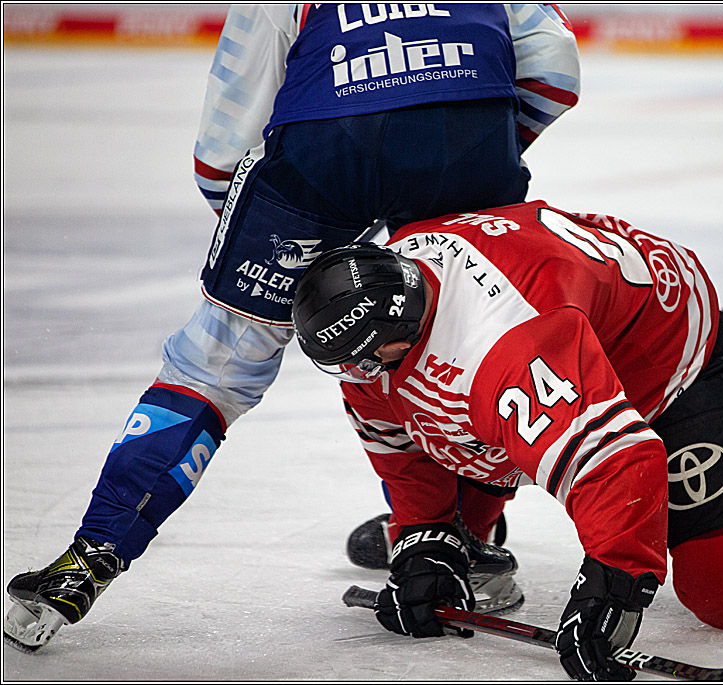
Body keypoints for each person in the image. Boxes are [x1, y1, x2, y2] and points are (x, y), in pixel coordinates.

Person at [3, 3, 580, 653]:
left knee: (212, 368)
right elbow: (556, 67)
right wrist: (471, 150)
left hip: (326, 146)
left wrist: (278, 227)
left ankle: (87, 561)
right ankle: (464, 541)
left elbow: (223, 148)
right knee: (475, 337)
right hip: (467, 139)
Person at [289, 200, 723, 681]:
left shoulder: (503, 347)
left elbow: (620, 464)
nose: (355, 375)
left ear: (396, 334)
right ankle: (467, 524)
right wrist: (424, 531)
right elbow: (399, 437)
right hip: (569, 314)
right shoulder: (393, 291)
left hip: (662, 353)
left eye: (361, 358)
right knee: (450, 452)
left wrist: (616, 587)